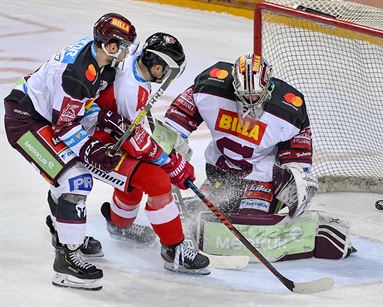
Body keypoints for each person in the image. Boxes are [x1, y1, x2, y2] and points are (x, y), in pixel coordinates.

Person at [163, 54, 356, 261]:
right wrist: (170, 148)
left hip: (262, 181)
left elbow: (297, 163)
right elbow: (172, 129)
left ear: (268, 88)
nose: (249, 102)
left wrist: (297, 181)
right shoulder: (211, 87)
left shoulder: (288, 108)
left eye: (255, 96)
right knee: (198, 216)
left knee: (250, 223)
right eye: (243, 95)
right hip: (220, 174)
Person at [3, 13, 137, 290]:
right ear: (110, 46)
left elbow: (77, 107)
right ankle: (66, 261)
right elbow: (64, 125)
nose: (126, 52)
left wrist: (100, 117)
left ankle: (62, 229)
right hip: (25, 120)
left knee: (71, 170)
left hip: (39, 112)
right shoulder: (78, 73)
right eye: (123, 46)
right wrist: (91, 148)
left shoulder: (96, 55)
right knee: (76, 178)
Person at [90, 32, 210, 274]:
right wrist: (171, 163)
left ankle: (119, 224)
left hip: (103, 128)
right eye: (166, 71)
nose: (167, 76)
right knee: (156, 180)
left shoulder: (133, 57)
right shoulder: (130, 92)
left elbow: (131, 129)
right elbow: (134, 143)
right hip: (91, 143)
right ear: (156, 67)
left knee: (137, 174)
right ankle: (174, 250)